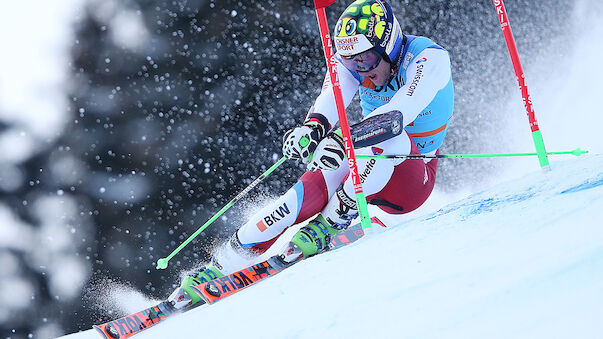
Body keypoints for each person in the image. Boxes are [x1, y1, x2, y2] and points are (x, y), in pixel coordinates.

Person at [177, 0, 454, 304]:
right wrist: (311, 131)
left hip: (412, 182)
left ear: (389, 45)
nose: (361, 71)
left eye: (367, 60)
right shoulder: (355, 64)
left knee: (389, 139)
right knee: (307, 187)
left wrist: (340, 141)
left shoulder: (428, 59)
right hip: (367, 164)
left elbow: (395, 118)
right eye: (352, 63)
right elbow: (330, 101)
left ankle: (332, 222)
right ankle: (224, 262)